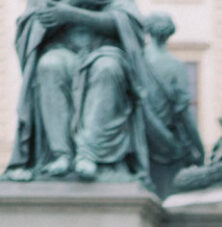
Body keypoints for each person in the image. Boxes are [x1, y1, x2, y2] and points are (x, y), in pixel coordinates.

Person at [6, 0, 151, 183]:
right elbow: (32, 28)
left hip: (104, 51)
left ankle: (89, 153)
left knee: (107, 68)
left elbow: (126, 23)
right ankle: (61, 154)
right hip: (61, 50)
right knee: (49, 66)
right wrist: (71, 4)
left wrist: (74, 15)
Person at [143, 13, 204, 198]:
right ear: (170, 33)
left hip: (139, 142)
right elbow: (184, 114)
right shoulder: (176, 66)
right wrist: (199, 148)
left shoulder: (138, 60)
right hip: (167, 145)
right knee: (168, 200)